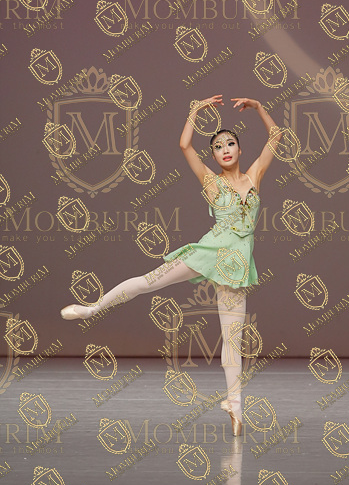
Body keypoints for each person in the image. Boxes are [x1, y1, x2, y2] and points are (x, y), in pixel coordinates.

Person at [61, 94, 281, 435]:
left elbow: (276, 136)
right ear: (213, 156)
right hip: (207, 253)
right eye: (218, 146)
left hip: (236, 265)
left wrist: (259, 106)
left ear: (240, 149)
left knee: (232, 338)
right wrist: (194, 110)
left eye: (230, 143)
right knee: (148, 281)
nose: (225, 149)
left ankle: (235, 407)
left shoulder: (254, 176)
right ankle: (93, 309)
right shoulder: (211, 181)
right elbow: (184, 145)